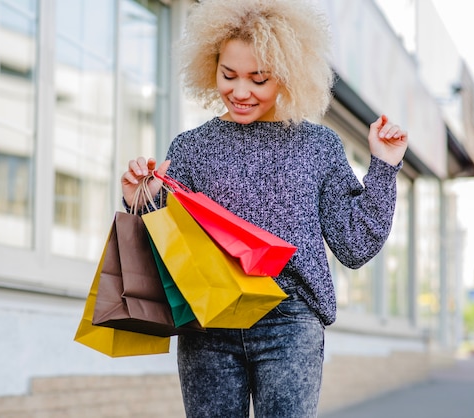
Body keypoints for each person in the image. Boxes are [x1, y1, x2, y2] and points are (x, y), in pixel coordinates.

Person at [121, 0, 408, 416]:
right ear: (210, 65)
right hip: (208, 325)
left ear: (289, 75)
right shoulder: (192, 148)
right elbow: (164, 251)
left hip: (290, 324)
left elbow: (354, 245)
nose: (240, 92)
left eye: (259, 79)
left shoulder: (318, 147)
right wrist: (138, 201)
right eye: (228, 75)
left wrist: (384, 166)